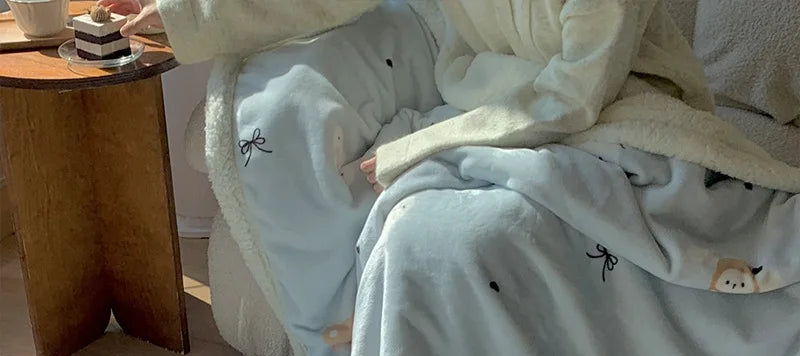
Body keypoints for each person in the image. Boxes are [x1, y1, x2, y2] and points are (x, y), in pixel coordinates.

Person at [98, 0, 712, 192]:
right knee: (409, 224)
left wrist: (424, 145)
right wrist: (182, 14)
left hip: (625, 114)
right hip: (491, 115)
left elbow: (574, 98)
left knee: (441, 235)